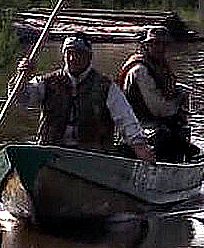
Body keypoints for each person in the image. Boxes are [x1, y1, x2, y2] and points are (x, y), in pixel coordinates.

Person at [11, 34, 155, 162]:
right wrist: (21, 77)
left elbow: (126, 119)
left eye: (79, 53)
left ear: (89, 56)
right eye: (70, 53)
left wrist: (139, 145)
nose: (73, 58)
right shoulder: (47, 82)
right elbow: (21, 99)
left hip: (92, 157)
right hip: (52, 153)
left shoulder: (106, 87)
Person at [117, 26, 192, 162]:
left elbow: (169, 90)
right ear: (147, 46)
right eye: (156, 44)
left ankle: (174, 164)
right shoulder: (140, 70)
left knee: (182, 130)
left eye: (164, 44)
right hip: (136, 125)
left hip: (152, 121)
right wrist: (179, 100)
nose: (160, 48)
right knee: (164, 135)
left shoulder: (160, 66)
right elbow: (159, 109)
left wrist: (182, 94)